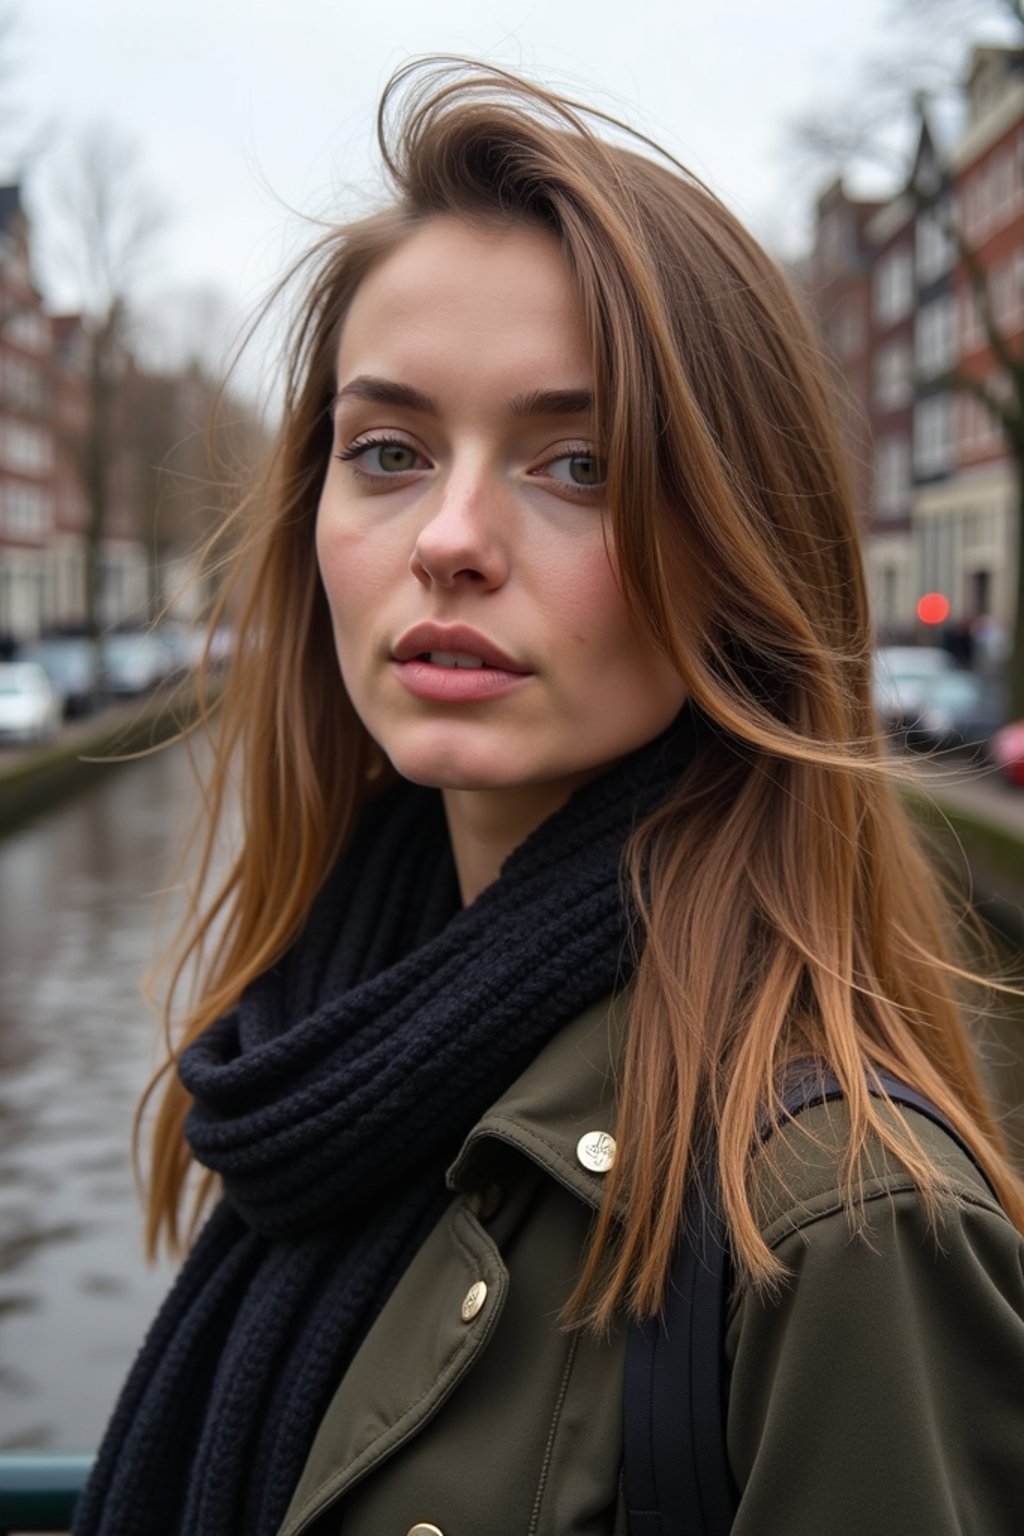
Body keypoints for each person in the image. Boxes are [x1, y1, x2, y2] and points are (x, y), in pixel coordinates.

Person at [74, 60, 1024, 1536]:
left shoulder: (836, 1230)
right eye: (386, 451)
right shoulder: (320, 1068)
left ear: (738, 550)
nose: (449, 537)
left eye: (577, 463)